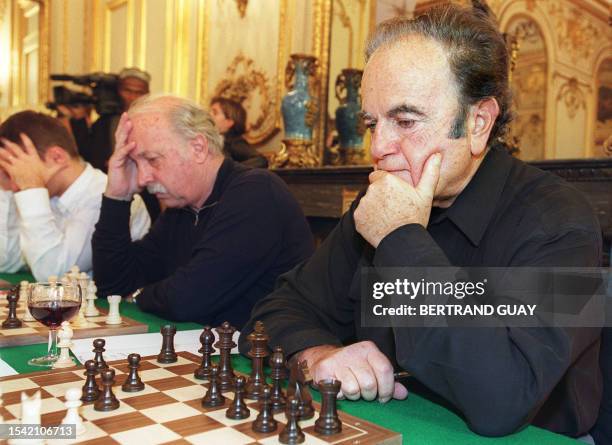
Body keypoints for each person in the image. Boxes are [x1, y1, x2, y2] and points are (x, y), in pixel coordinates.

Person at [239, 3, 603, 439]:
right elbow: (274, 311)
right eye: (373, 123)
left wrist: (400, 238)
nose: (378, 148)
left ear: (478, 123)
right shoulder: (376, 204)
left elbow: (502, 398)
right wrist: (315, 355)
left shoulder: (562, 221)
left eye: (406, 121)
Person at [91, 95, 314, 328]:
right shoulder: (182, 208)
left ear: (198, 147)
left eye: (153, 160)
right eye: (136, 164)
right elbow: (112, 285)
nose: (144, 178)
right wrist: (117, 197)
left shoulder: (257, 192)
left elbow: (188, 299)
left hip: (264, 358)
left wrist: (137, 295)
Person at [0, 111, 150, 282]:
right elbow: (7, 262)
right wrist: (5, 189)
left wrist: (31, 189)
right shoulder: (47, 192)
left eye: (18, 169)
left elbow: (52, 275)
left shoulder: (102, 195)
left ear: (57, 157)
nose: (16, 181)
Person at [210, 97, 268, 168]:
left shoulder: (234, 142)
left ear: (229, 122)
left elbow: (260, 160)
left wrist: (230, 171)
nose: (209, 115)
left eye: (215, 113)